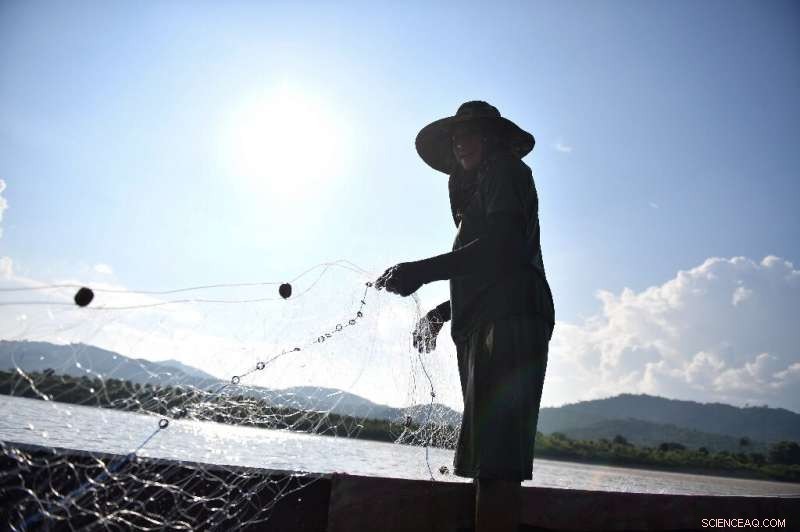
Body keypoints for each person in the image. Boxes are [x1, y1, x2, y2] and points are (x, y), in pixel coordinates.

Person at [375, 100, 555, 532]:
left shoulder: (507, 171)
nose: (458, 144)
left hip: (509, 322)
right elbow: (494, 270)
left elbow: (501, 249)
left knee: (496, 463)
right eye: (454, 138)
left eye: (467, 134)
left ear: (492, 139)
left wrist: (421, 272)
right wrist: (443, 311)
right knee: (485, 460)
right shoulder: (483, 191)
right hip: (488, 319)